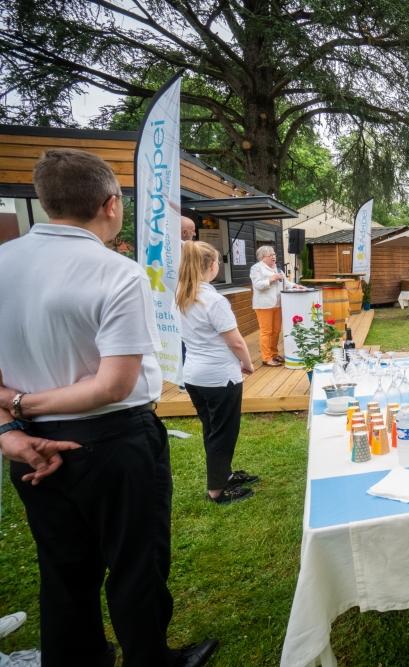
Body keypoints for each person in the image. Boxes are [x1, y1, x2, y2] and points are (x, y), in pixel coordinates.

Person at [0, 149, 217, 666]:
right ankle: (149, 659)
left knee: (62, 565)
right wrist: (20, 406)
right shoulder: (116, 272)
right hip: (113, 440)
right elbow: (113, 385)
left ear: (46, 201)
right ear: (111, 204)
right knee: (135, 560)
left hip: (27, 442)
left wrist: (12, 421)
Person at [178, 241, 258, 504]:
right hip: (219, 376)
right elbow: (235, 341)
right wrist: (247, 363)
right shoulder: (213, 300)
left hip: (194, 375)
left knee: (212, 430)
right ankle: (217, 490)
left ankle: (224, 475)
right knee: (223, 432)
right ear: (211, 266)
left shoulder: (181, 294)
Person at [250, 245, 286, 367]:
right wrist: (271, 279)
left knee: (276, 331)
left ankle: (274, 354)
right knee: (266, 331)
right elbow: (257, 285)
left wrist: (295, 286)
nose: (274, 257)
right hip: (264, 305)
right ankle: (266, 357)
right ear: (262, 257)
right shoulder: (256, 268)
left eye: (274, 254)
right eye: (270, 255)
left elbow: (285, 282)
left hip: (278, 303)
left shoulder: (278, 268)